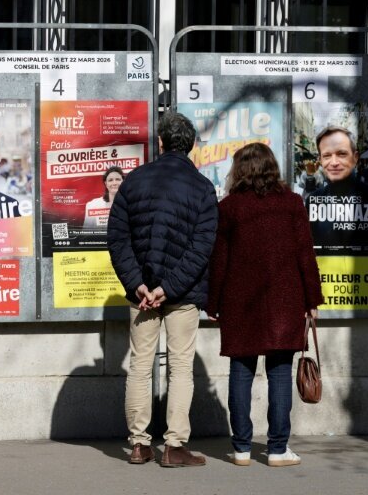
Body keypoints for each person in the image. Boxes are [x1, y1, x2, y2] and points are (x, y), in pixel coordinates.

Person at [107, 112, 218, 468]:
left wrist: (139, 284)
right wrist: (168, 288)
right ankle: (174, 446)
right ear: (193, 146)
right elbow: (202, 248)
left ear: (159, 143)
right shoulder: (202, 188)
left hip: (141, 294)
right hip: (181, 295)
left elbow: (117, 240)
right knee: (181, 366)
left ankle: (139, 445)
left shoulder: (133, 182)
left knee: (140, 365)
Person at [206, 143, 324, 468]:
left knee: (240, 373)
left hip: (239, 303)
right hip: (285, 303)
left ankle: (241, 448)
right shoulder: (292, 203)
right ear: (272, 168)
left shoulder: (228, 208)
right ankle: (277, 449)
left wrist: (212, 302)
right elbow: (305, 255)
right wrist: (312, 299)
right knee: (280, 373)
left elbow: (220, 261)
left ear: (240, 170)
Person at [305, 125, 368, 253]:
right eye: (326, 156)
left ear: (355, 158)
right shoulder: (313, 201)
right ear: (320, 160)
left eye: (341, 154)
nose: (334, 162)